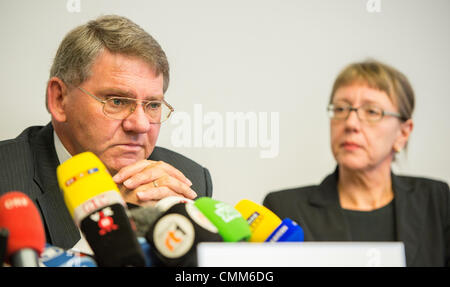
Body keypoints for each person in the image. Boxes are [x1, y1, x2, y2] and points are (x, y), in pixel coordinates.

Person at [0, 15, 212, 250]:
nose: (140, 125)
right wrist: (115, 225)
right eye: (118, 101)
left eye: (153, 105)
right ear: (59, 99)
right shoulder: (5, 176)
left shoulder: (187, 180)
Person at [263, 60, 449, 267]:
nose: (350, 123)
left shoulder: (436, 201)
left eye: (371, 112)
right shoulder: (285, 209)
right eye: (341, 109)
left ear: (403, 133)